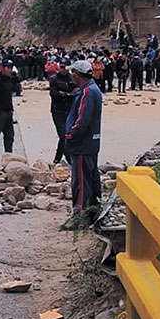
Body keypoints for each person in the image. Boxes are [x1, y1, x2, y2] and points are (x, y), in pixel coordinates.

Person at [62, 60, 103, 230]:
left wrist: (70, 135)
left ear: (77, 75)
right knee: (91, 179)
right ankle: (92, 212)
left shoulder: (88, 92)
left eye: (73, 74)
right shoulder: (93, 90)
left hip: (82, 144)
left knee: (80, 182)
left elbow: (82, 119)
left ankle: (80, 217)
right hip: (90, 143)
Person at [47, 63, 75, 165]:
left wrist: (65, 94)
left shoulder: (72, 78)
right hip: (57, 111)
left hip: (69, 110)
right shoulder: (54, 79)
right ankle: (69, 159)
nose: (64, 69)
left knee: (67, 136)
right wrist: (69, 94)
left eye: (66, 67)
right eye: (62, 67)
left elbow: (77, 91)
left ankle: (57, 159)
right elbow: (54, 94)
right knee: (63, 135)